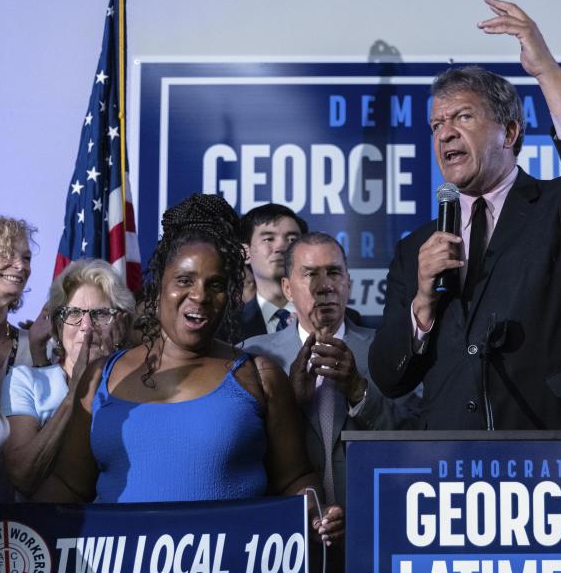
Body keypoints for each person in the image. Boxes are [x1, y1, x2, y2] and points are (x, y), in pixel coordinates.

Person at [369, 0, 561, 430]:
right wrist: (421, 303)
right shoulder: (417, 248)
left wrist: (547, 70)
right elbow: (389, 377)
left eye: (463, 117)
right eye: (436, 125)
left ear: (510, 131)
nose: (446, 133)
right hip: (457, 468)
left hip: (556, 457)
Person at [40, 195, 342, 543]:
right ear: (159, 287)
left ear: (229, 295)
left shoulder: (261, 376)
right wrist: (15, 531)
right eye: (184, 280)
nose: (199, 295)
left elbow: (294, 478)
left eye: (214, 285)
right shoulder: (100, 377)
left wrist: (315, 513)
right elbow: (67, 486)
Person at [244, 233, 421, 573]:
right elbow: (239, 454)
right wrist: (288, 403)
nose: (324, 286)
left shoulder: (386, 351)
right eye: (310, 274)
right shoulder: (255, 356)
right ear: (288, 288)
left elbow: (416, 442)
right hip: (285, 551)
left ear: (348, 283)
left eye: (334, 273)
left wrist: (360, 392)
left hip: (372, 546)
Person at [0, 259, 133, 497]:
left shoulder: (136, 386)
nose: (86, 327)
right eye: (74, 313)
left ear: (120, 325)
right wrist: (75, 395)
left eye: (101, 314)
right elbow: (22, 475)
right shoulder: (25, 380)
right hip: (45, 529)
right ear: (59, 327)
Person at [0, 215, 43, 502]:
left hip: (18, 520)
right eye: (8, 254)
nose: (21, 266)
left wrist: (43, 353)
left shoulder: (32, 345)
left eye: (27, 257)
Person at [237, 203, 308, 340]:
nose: (281, 247)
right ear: (245, 253)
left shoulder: (343, 319)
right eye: (268, 239)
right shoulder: (227, 327)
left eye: (292, 239)